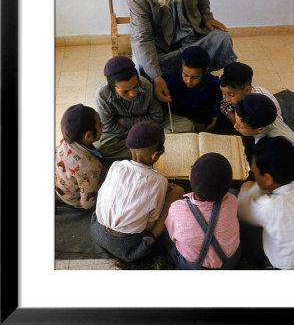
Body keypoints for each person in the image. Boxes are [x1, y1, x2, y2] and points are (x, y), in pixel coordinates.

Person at [90, 121, 185, 263]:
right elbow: (149, 225)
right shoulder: (159, 181)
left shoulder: (116, 165)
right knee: (178, 191)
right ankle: (151, 238)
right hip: (129, 246)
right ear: (154, 156)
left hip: (97, 230)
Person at [94, 55, 194, 160]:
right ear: (112, 88)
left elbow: (157, 117)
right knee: (101, 148)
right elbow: (109, 126)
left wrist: (125, 122)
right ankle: (150, 149)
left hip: (147, 127)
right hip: (121, 133)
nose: (133, 94)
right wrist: (137, 137)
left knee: (187, 126)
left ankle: (138, 152)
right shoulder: (102, 95)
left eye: (135, 86)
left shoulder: (146, 85)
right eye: (125, 91)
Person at [238, 136, 294, 270]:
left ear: (268, 178)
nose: (252, 171)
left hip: (284, 266)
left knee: (245, 222)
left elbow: (242, 209)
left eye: (254, 171)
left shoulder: (271, 207)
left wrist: (248, 189)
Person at [163, 152, 242, 270]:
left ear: (189, 177)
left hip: (194, 266)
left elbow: (172, 235)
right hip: (229, 262)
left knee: (165, 239)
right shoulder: (232, 200)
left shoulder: (176, 208)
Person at [234, 93, 294, 173]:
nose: (235, 126)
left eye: (240, 126)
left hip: (292, 172)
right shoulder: (266, 115)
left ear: (260, 129)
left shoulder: (269, 147)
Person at [55, 104, 107, 209]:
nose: (103, 126)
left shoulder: (64, 141)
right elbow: (87, 203)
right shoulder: (90, 167)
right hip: (75, 200)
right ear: (88, 136)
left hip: (61, 187)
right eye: (100, 124)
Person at [167, 46, 222, 132]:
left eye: (195, 77)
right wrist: (194, 124)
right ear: (181, 68)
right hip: (184, 118)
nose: (189, 81)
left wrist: (214, 120)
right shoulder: (173, 83)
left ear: (205, 71)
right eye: (185, 75)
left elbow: (217, 101)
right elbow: (173, 107)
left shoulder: (213, 82)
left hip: (205, 117)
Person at [219, 61, 283, 128]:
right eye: (224, 94)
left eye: (231, 95)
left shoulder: (263, 106)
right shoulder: (234, 91)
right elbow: (225, 106)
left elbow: (270, 128)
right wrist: (234, 120)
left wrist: (242, 128)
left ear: (247, 90)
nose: (227, 99)